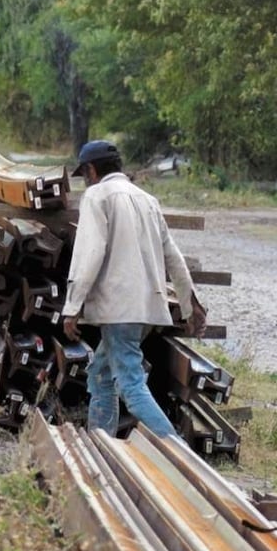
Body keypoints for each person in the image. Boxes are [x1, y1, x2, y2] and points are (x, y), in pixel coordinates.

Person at [61, 140, 206, 438]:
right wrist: (191, 306)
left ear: (91, 169)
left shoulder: (97, 196)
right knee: (100, 376)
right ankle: (101, 444)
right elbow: (174, 258)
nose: (85, 179)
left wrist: (72, 307)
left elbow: (90, 254)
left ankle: (179, 454)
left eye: (84, 173)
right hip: (146, 310)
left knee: (130, 386)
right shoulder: (147, 200)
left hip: (118, 310)